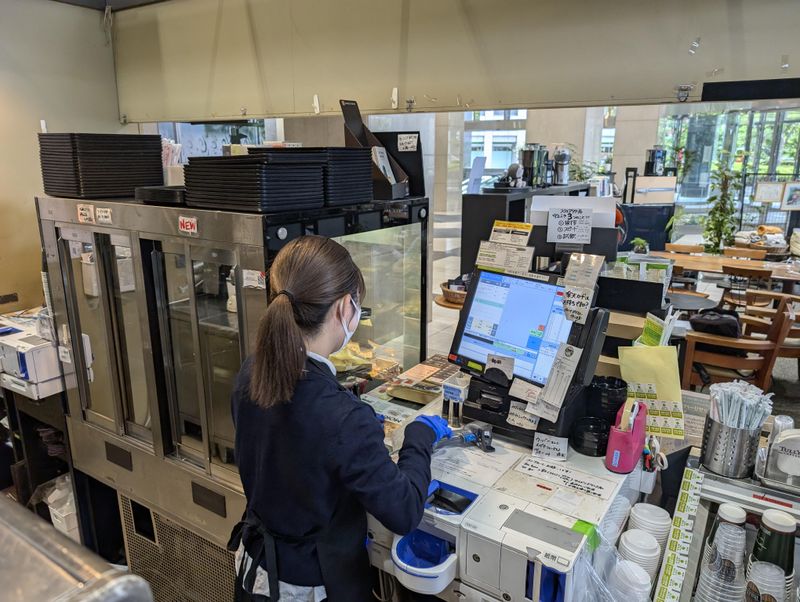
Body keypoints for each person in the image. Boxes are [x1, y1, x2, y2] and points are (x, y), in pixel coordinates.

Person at [228, 235, 451, 602]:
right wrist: (419, 438)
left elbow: (288, 446)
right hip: (311, 586)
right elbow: (405, 511)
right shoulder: (344, 419)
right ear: (346, 307)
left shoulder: (253, 370)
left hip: (256, 571)